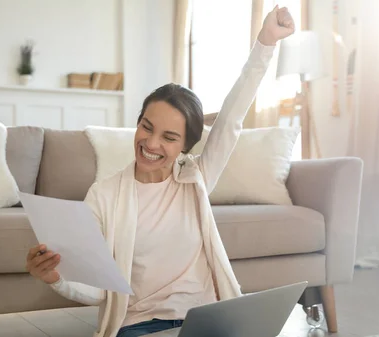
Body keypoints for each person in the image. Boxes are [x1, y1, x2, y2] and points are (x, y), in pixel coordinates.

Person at [26, 6, 295, 337]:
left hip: (206, 320)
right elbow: (98, 290)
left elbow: (231, 118)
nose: (150, 144)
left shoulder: (195, 179)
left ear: (185, 146)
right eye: (146, 127)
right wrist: (56, 278)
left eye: (168, 137)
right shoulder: (104, 195)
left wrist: (266, 43)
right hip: (140, 325)